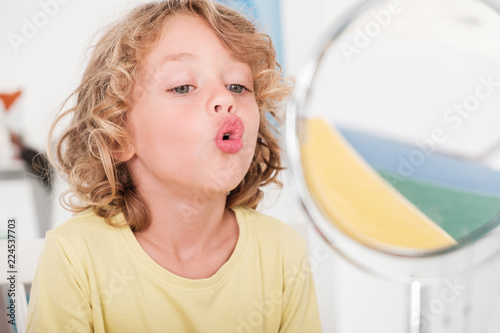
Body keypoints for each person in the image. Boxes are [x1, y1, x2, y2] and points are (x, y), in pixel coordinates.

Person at [27, 0, 322, 332]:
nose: (226, 99)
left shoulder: (282, 253)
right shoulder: (74, 257)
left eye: (238, 86)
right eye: (182, 87)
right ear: (117, 136)